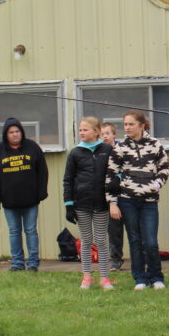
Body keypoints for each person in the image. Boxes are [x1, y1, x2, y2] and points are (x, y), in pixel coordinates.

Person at [107, 110, 169, 291]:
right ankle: (140, 279)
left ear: (142, 125)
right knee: (135, 240)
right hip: (127, 201)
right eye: (125, 124)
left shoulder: (155, 144)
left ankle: (156, 277)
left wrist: (156, 185)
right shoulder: (119, 147)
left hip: (149, 201)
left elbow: (164, 168)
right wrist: (112, 202)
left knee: (150, 241)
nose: (127, 128)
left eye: (131, 124)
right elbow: (110, 176)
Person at [0, 117, 49, 272]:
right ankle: (17, 263)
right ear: (5, 135)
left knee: (31, 231)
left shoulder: (32, 147)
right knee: (14, 232)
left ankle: (33, 262)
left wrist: (41, 192)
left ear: (22, 132)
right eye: (11, 132)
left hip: (30, 200)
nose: (14, 134)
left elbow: (43, 171)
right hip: (9, 200)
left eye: (17, 131)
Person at [64, 117, 115, 290]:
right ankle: (86, 277)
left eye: (85, 129)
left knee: (101, 240)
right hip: (81, 205)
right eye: (80, 130)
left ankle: (104, 278)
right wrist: (69, 205)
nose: (81, 133)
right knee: (86, 241)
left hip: (101, 204)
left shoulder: (107, 150)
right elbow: (68, 180)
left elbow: (116, 172)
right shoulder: (75, 153)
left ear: (96, 131)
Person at [100, 122, 125, 271]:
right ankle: (116, 259)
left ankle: (141, 259)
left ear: (114, 135)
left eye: (107, 133)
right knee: (114, 230)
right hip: (110, 197)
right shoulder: (101, 152)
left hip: (127, 194)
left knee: (135, 230)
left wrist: (120, 177)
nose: (105, 137)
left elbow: (129, 168)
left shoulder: (122, 149)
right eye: (102, 134)